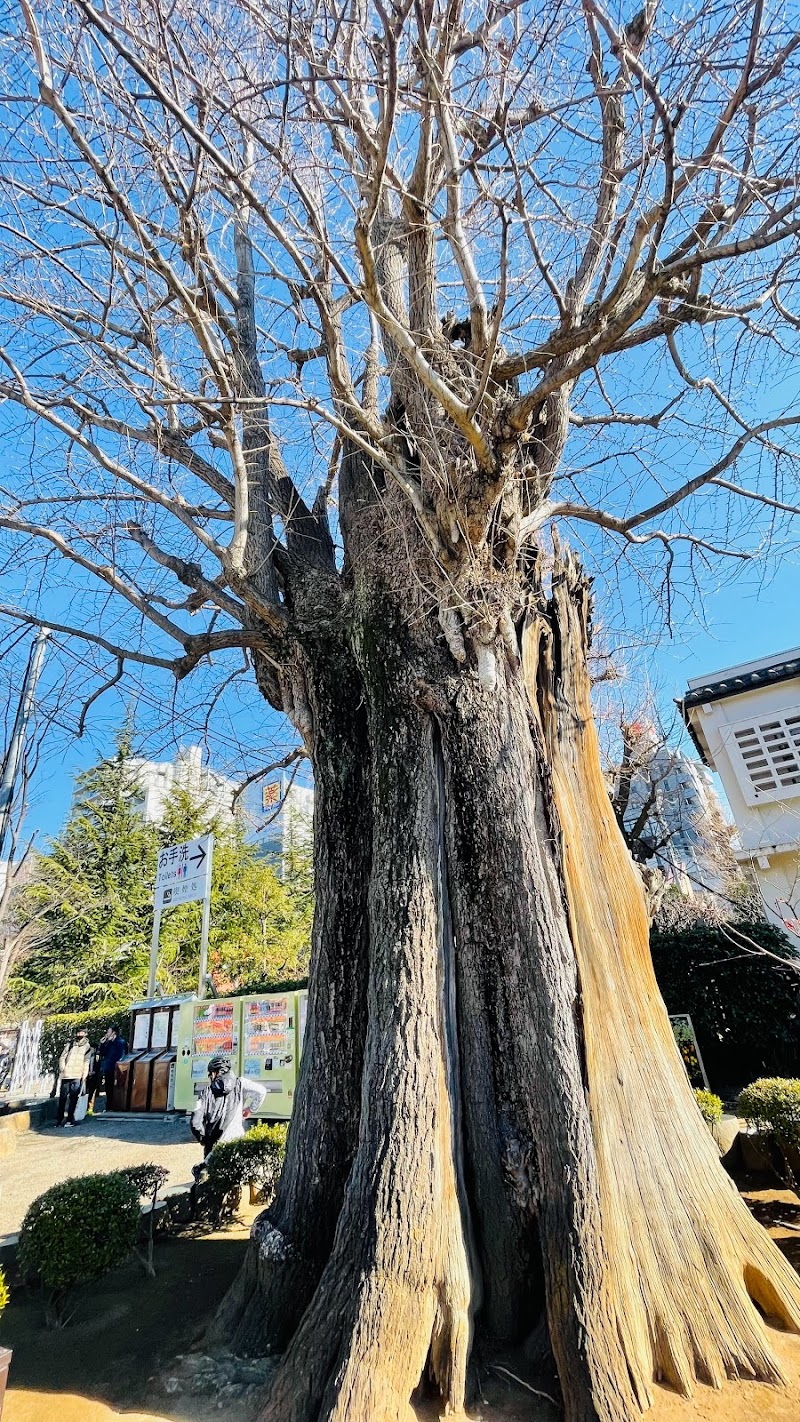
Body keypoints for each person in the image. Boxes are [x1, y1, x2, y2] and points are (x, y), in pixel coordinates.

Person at [189, 1056, 267, 1180]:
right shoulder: (241, 1083)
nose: (209, 1077)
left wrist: (203, 1139)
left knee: (213, 1180)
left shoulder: (206, 1092)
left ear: (215, 1073)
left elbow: (194, 1121)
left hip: (214, 1147)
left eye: (210, 1074)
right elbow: (262, 1091)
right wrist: (250, 1109)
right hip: (238, 1141)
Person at [56, 1026, 93, 1127]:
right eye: (78, 1032)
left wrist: (84, 1074)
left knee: (73, 1098)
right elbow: (62, 1057)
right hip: (66, 1075)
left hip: (77, 1075)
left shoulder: (87, 1047)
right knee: (62, 1098)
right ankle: (59, 1120)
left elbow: (86, 1061)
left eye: (82, 1033)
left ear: (85, 1034)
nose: (80, 1035)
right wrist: (63, 1068)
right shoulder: (70, 1044)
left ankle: (70, 1120)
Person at [86, 1026, 127, 1113]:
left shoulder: (120, 1042)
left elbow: (122, 1055)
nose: (107, 1034)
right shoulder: (109, 1043)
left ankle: (116, 1106)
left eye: (109, 1032)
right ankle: (108, 1107)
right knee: (108, 1088)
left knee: (116, 1088)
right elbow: (102, 1053)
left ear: (113, 1033)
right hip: (108, 1068)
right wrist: (102, 1044)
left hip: (116, 1068)